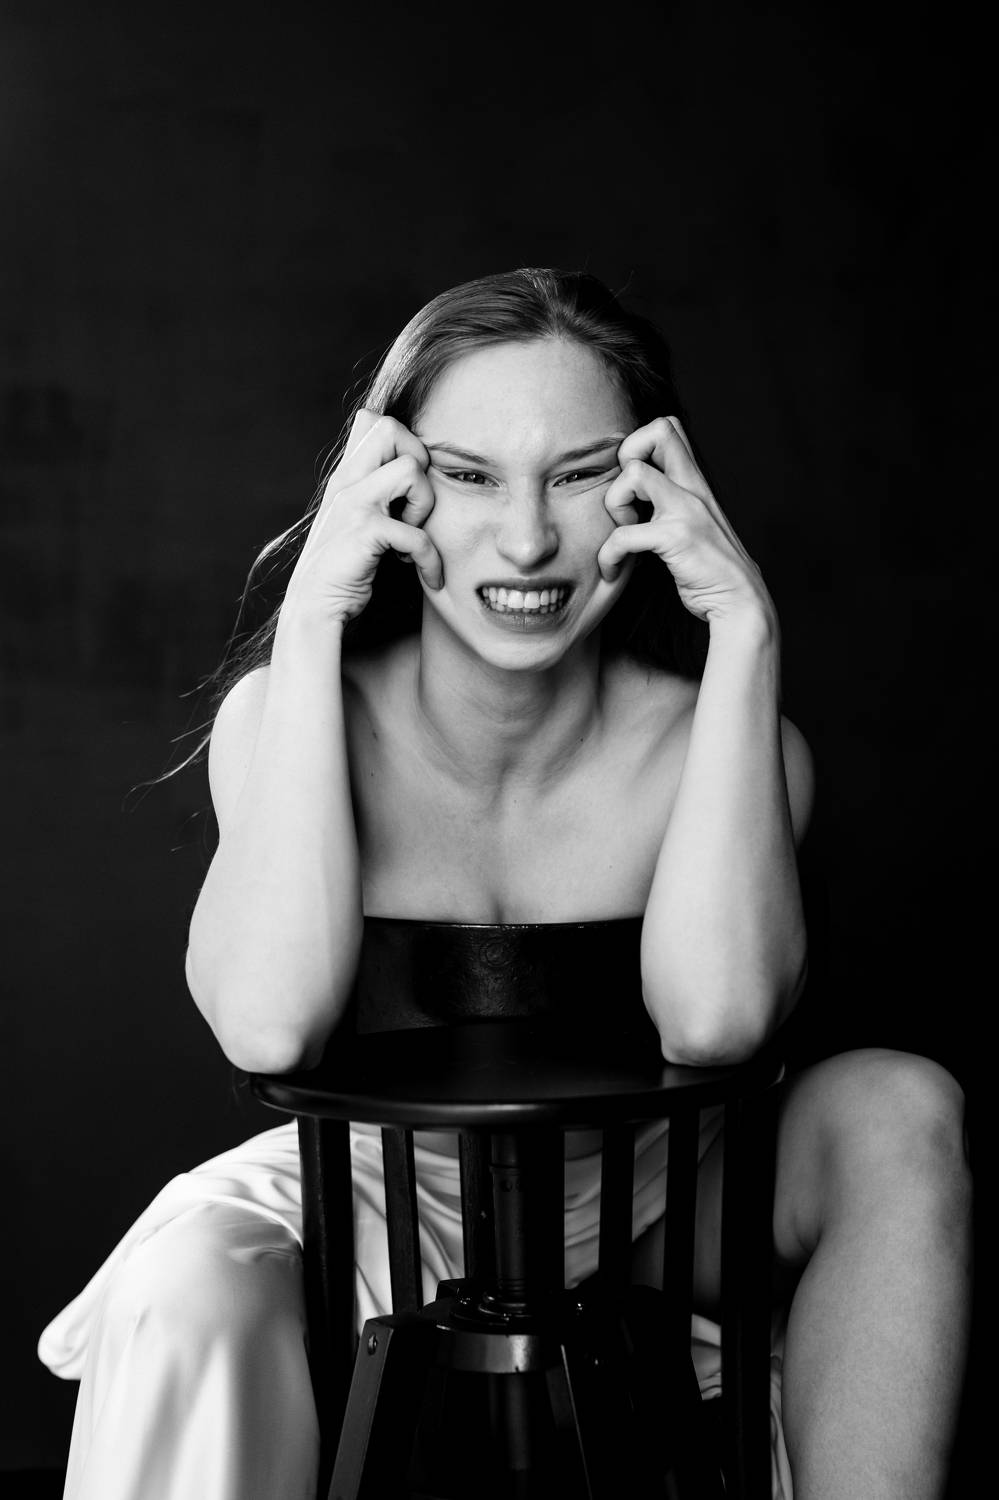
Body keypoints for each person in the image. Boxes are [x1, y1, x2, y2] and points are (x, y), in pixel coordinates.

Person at [39, 268, 971, 1500]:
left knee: (900, 1106)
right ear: (391, 484)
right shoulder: (287, 720)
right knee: (185, 1285)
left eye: (579, 475)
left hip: (653, 1205)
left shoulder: (727, 745)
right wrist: (313, 616)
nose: (526, 541)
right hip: (381, 1203)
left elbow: (718, 1023)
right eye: (469, 476)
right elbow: (266, 1024)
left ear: (653, 487)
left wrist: (746, 631)